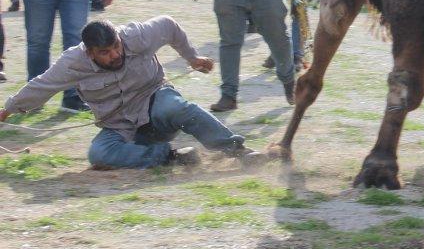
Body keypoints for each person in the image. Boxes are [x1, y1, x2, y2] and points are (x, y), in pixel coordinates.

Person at [0, 17, 262, 169]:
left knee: (177, 107)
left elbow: (169, 26)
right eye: (105, 52)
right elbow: (41, 86)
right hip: (119, 125)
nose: (115, 54)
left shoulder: (136, 36)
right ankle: (171, 157)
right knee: (99, 154)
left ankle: (238, 151)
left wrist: (192, 58)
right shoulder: (72, 63)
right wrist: (7, 110)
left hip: (156, 102)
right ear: (90, 53)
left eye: (116, 46)